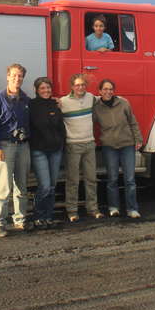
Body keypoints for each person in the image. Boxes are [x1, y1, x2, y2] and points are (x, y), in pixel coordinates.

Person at [0, 63, 33, 238]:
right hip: (5, 146)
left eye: (20, 76)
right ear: (7, 76)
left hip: (23, 146)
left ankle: (20, 220)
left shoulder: (26, 100)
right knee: (3, 187)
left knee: (21, 186)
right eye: (14, 75)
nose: (17, 78)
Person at [93, 79, 143, 218]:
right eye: (105, 89)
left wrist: (138, 139)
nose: (108, 92)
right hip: (109, 146)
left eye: (110, 89)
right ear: (100, 91)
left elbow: (133, 122)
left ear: (113, 91)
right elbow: (89, 122)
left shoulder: (123, 103)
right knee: (112, 179)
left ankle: (132, 209)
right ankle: (113, 207)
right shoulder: (96, 107)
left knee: (130, 179)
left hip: (127, 144)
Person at [59, 73, 104, 222]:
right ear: (72, 87)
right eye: (77, 85)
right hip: (73, 145)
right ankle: (72, 211)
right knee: (73, 180)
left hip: (90, 144)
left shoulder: (91, 98)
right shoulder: (63, 102)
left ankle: (93, 209)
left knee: (91, 178)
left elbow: (105, 99)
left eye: (83, 85)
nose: (80, 87)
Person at [29, 77, 66, 229]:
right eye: (42, 88)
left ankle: (48, 216)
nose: (46, 91)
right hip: (39, 151)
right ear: (37, 90)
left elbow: (60, 127)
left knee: (52, 186)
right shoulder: (31, 105)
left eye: (48, 88)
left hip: (55, 151)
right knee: (44, 186)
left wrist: (61, 144)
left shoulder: (55, 104)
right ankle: (38, 216)